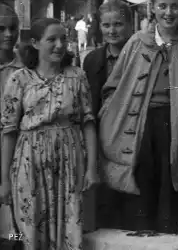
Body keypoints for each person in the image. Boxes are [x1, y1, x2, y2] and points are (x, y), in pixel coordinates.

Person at [98, 0, 178, 233]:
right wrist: (112, 116)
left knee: (171, 190)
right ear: (152, 9)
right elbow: (113, 87)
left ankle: (167, 242)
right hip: (139, 126)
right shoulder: (137, 42)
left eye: (174, 7)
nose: (168, 13)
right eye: (162, 6)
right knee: (139, 188)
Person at [0, 18, 98, 248]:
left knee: (71, 227)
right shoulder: (19, 79)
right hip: (29, 163)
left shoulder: (77, 76)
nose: (59, 45)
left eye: (63, 39)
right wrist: (3, 180)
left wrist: (92, 168)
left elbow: (88, 123)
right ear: (35, 43)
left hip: (69, 162)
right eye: (51, 39)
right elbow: (8, 131)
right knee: (28, 232)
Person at [81, 0, 134, 231]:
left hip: (132, 138)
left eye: (118, 24)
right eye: (106, 25)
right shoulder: (92, 60)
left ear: (130, 25)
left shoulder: (141, 55)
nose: (112, 30)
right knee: (104, 207)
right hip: (102, 139)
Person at [0, 3, 22, 239]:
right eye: (1, 28)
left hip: (17, 155)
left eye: (12, 28)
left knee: (15, 226)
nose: (8, 34)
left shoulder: (27, 67)